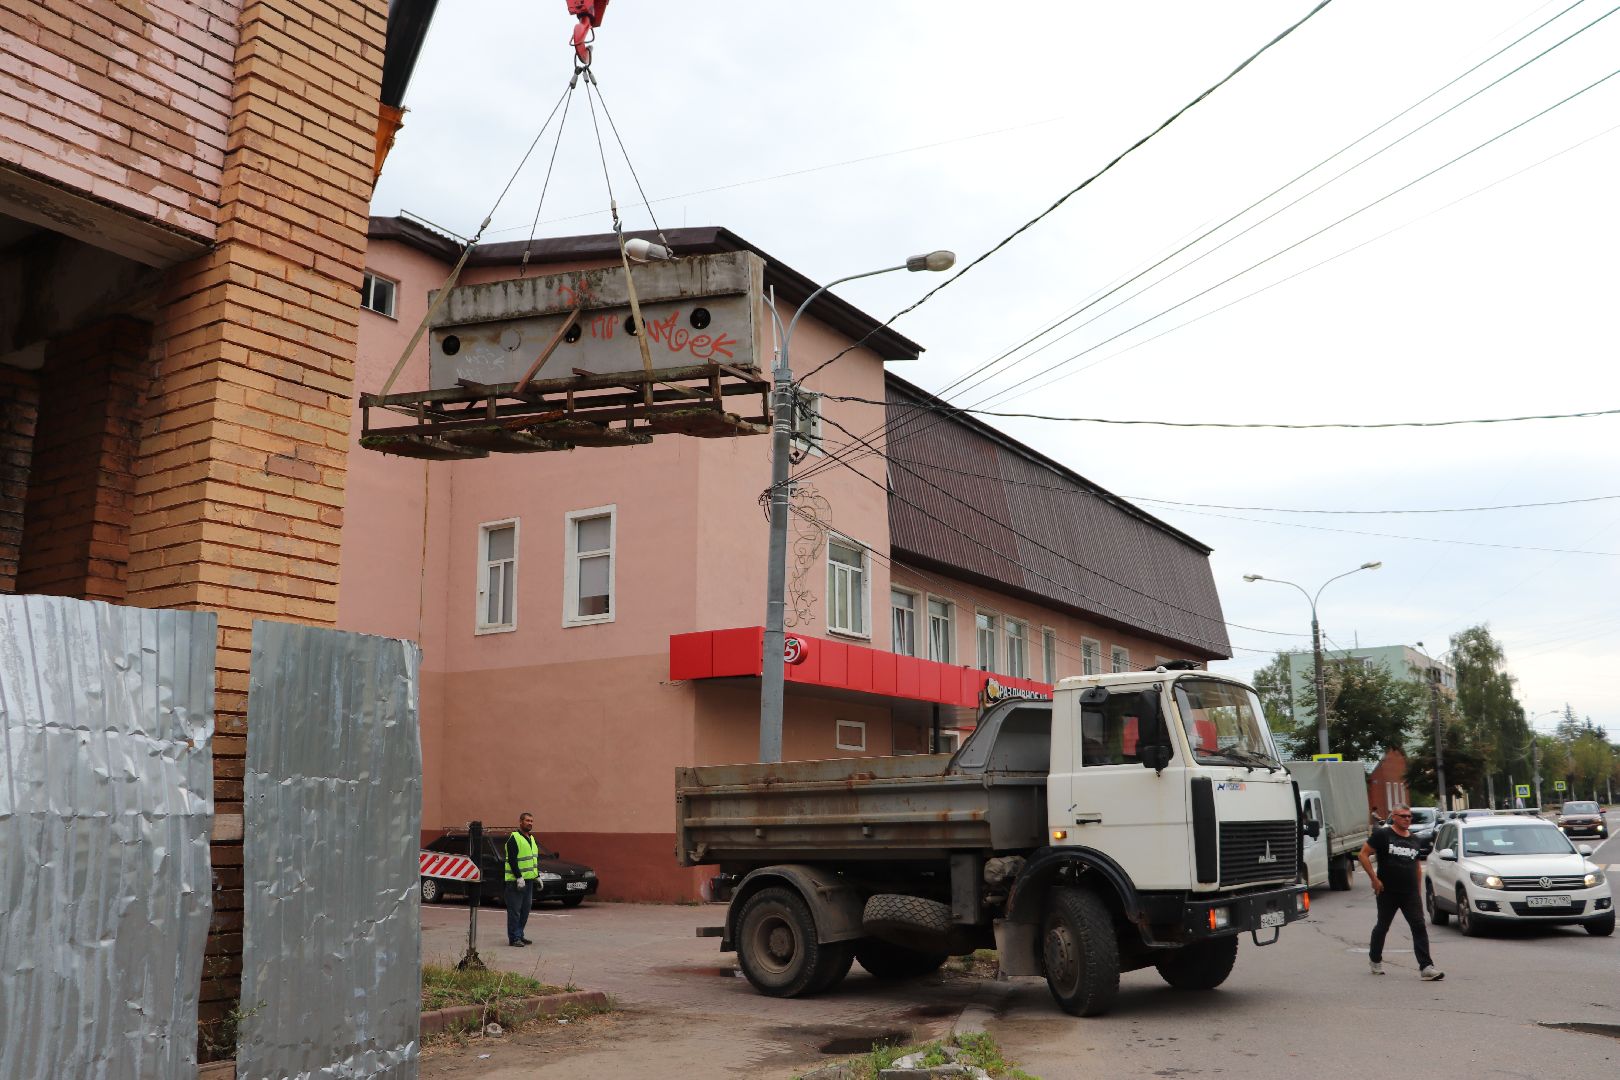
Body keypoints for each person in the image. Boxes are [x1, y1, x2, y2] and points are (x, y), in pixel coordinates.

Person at [1357, 804, 1443, 981]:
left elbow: (1417, 866)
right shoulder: (1383, 834)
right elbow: (1363, 855)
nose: (1407, 819)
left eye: (1409, 816)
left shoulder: (1414, 839)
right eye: (1403, 816)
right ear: (1393, 817)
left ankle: (1426, 967)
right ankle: (1375, 959)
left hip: (1409, 893)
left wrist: (1418, 890)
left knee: (1419, 926)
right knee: (1382, 927)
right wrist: (1374, 879)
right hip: (1387, 891)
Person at [505, 812, 540, 947]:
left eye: (531, 821)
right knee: (515, 910)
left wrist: (537, 876)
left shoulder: (532, 839)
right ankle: (514, 938)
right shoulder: (514, 838)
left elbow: (533, 861)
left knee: (525, 910)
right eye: (527, 820)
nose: (530, 823)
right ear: (520, 822)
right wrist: (518, 877)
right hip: (515, 882)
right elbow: (512, 860)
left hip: (529, 881)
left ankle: (520, 934)